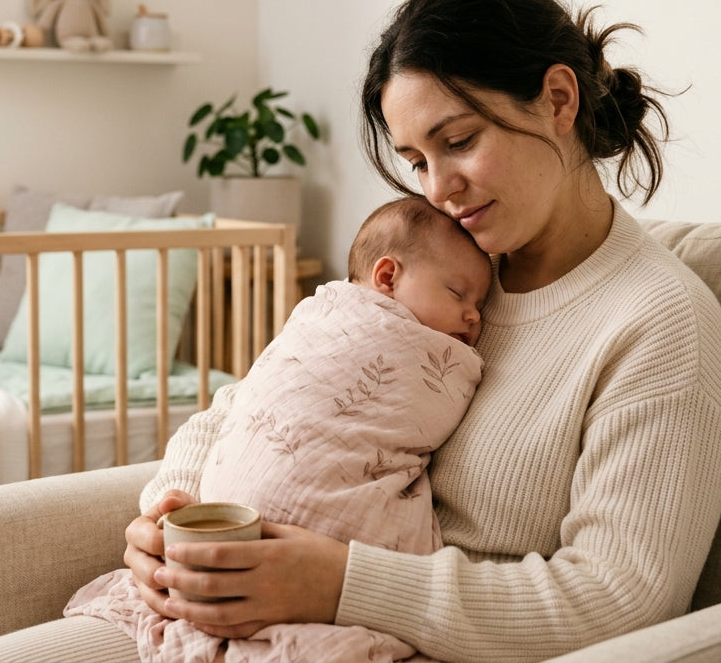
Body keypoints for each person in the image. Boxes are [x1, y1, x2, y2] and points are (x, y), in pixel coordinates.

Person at [0, 0, 721, 663]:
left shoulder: (658, 326)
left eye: (458, 140)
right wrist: (169, 512)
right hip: (253, 616)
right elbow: (256, 399)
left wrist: (339, 582)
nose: (437, 188)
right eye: (417, 160)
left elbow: (616, 600)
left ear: (559, 99)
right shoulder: (449, 275)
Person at [60, 195, 490, 662]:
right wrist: (171, 506)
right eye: (457, 294)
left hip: (340, 568)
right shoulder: (322, 319)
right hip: (209, 537)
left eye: (480, 304)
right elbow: (249, 399)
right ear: (387, 277)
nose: (474, 317)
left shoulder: (441, 344)